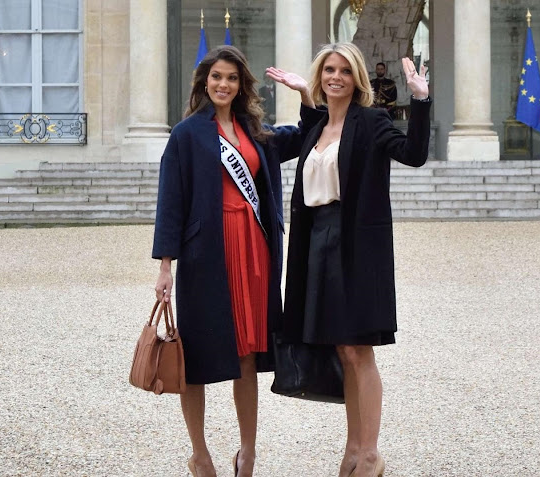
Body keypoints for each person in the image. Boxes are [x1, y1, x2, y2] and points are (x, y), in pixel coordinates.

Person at [152, 45, 322, 477]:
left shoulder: (255, 131)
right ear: (204, 81)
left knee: (246, 354)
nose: (223, 85)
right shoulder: (186, 134)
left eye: (231, 78)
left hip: (254, 251)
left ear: (241, 84)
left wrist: (305, 94)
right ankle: (199, 454)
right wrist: (165, 265)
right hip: (206, 255)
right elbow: (171, 202)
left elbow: (307, 135)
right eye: (216, 77)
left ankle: (248, 453)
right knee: (195, 356)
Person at [281, 43, 431, 477]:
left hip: (355, 246)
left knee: (358, 349)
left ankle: (370, 454)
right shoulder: (316, 127)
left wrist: (420, 99)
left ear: (357, 78)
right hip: (316, 245)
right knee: (340, 349)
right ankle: (353, 448)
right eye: (329, 69)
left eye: (345, 70)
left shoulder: (371, 121)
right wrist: (303, 95)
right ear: (320, 75)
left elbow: (414, 154)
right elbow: (304, 137)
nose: (336, 77)